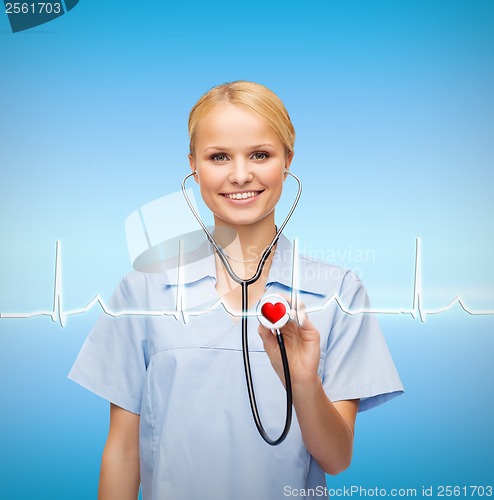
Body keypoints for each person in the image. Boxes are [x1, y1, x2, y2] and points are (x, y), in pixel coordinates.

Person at [68, 81, 404, 500]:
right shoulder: (144, 289)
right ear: (194, 165)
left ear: (287, 161)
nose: (241, 174)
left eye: (260, 155)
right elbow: (122, 450)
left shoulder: (337, 292)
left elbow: (337, 459)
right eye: (219, 156)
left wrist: (302, 383)